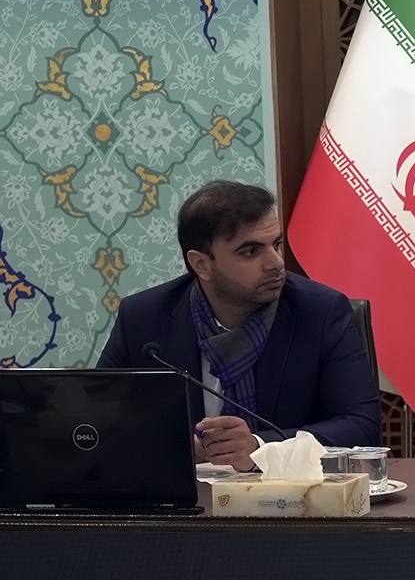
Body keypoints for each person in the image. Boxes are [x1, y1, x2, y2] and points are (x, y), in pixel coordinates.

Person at [97, 180, 380, 467]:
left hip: (292, 492)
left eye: (276, 245)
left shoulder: (320, 313)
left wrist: (261, 448)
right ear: (201, 264)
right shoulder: (143, 319)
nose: (276, 263)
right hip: (187, 492)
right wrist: (170, 444)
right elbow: (98, 420)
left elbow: (362, 427)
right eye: (251, 251)